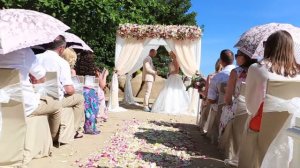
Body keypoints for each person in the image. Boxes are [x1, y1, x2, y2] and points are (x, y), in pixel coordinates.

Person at [239, 30, 300, 168]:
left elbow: (250, 104)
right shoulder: (298, 74)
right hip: (290, 128)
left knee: (250, 121)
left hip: (260, 125)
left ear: (269, 47)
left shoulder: (256, 68)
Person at [0, 48, 62, 140]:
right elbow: (42, 77)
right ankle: (53, 139)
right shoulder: (24, 51)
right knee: (56, 106)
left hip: (3, 103)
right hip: (24, 103)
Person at [36, 35, 85, 139]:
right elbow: (69, 90)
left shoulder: (36, 58)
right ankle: (75, 130)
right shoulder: (62, 63)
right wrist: (74, 89)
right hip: (55, 99)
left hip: (37, 96)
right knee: (80, 98)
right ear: (61, 48)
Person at [218, 50, 257, 166]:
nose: (235, 58)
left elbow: (228, 97)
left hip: (239, 106)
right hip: (254, 108)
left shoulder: (235, 72)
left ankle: (229, 154)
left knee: (226, 112)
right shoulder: (258, 71)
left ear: (245, 57)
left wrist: (227, 105)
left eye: (237, 55)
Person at [207, 49, 235, 144]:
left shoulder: (218, 77)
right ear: (233, 60)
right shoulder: (243, 74)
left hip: (221, 110)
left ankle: (215, 137)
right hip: (240, 111)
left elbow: (211, 99)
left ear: (221, 61)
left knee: (216, 105)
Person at [198, 58, 223, 133]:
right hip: (221, 101)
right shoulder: (227, 76)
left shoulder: (211, 75)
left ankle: (202, 126)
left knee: (205, 101)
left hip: (210, 101)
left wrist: (200, 92)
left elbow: (207, 92)